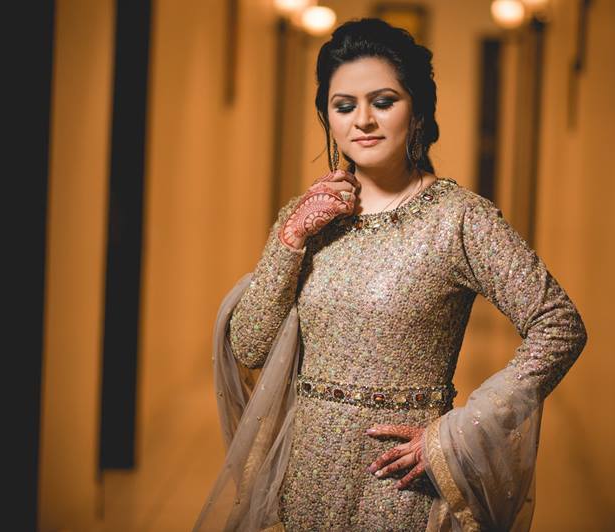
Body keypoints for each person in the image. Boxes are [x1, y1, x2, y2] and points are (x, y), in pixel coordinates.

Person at [193, 17, 587, 532]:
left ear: (417, 109)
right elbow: (248, 346)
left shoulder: (458, 219)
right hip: (307, 474)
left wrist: (459, 434)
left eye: (383, 101)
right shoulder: (307, 215)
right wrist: (290, 240)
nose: (363, 121)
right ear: (327, 117)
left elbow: (559, 325)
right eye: (344, 106)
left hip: (401, 484)